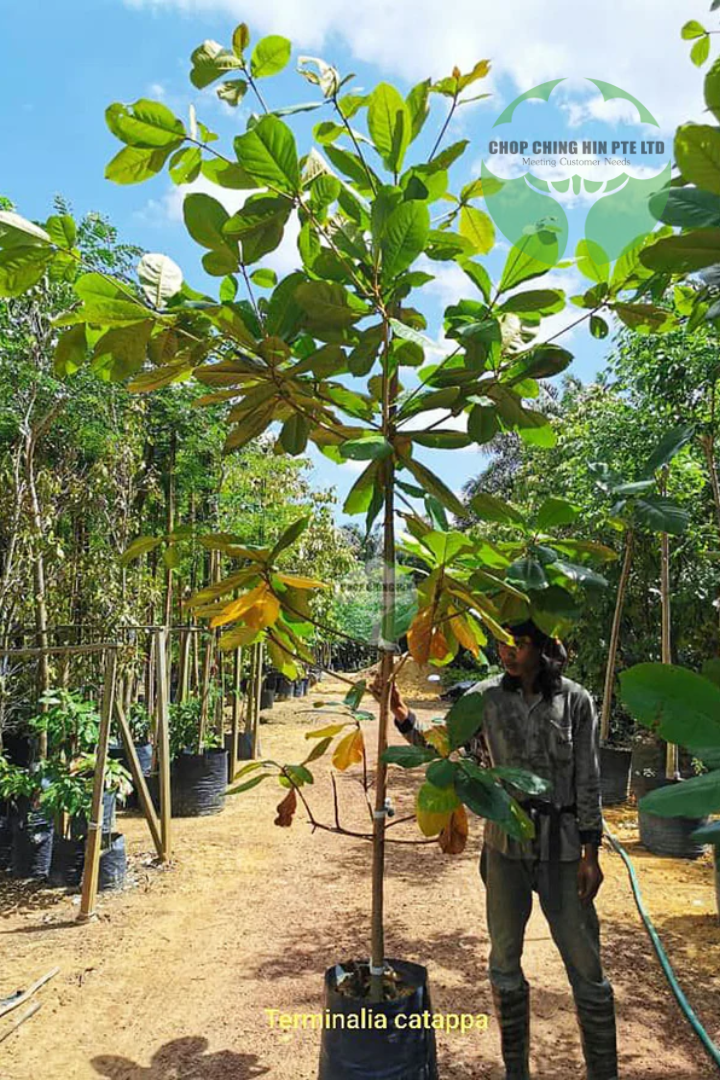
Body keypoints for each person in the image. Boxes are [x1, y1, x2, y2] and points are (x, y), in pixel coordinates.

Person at [389, 620, 618, 1080]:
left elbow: (589, 779)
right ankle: (517, 1071)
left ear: (543, 648)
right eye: (502, 643)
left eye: (520, 644)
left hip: (564, 847)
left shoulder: (574, 700)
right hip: (504, 846)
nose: (508, 653)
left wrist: (592, 851)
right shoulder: (484, 698)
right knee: (504, 964)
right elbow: (446, 750)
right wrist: (401, 715)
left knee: (586, 968)